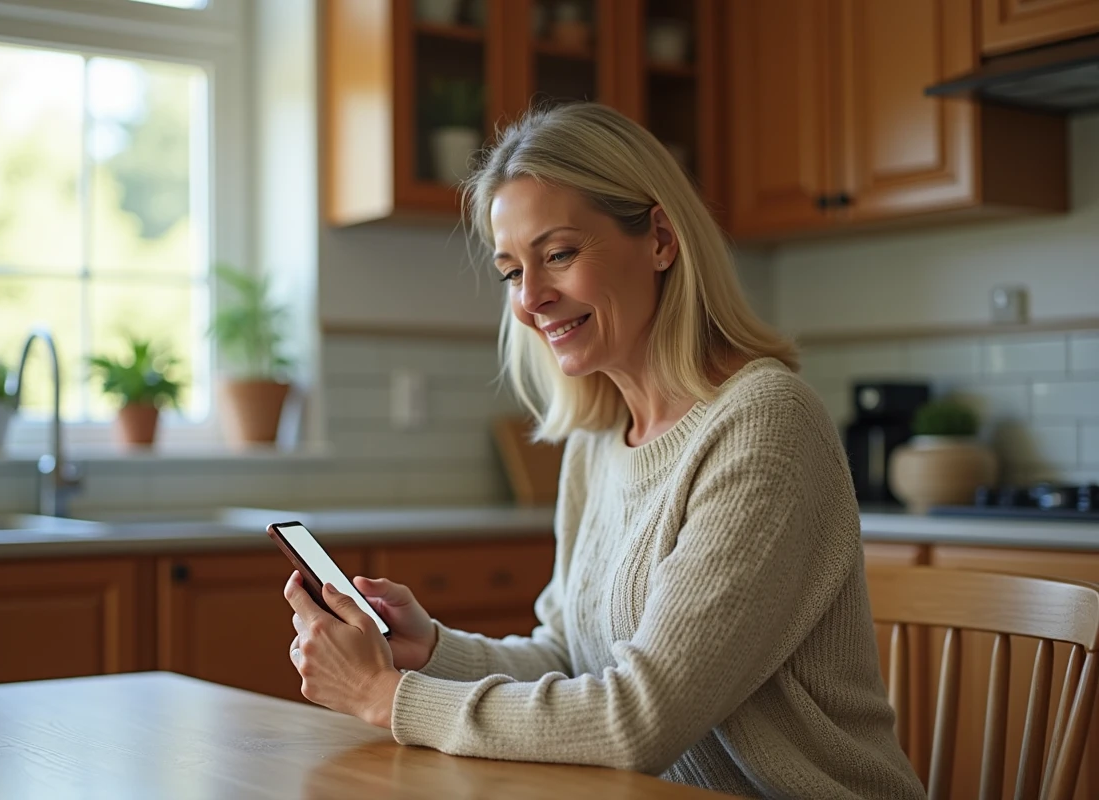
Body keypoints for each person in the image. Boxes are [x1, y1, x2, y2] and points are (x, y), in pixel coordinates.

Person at [283, 102, 927, 799]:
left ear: (658, 239)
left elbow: (637, 721)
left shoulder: (765, 424)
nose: (530, 299)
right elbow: (569, 657)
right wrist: (432, 651)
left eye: (557, 254)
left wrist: (389, 697)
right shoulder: (599, 438)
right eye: (510, 271)